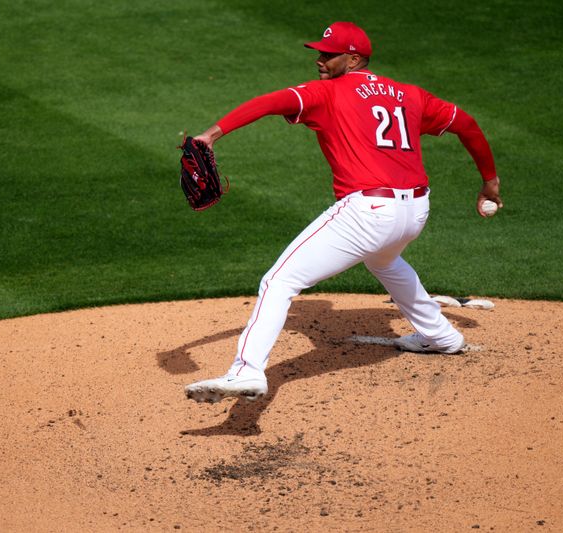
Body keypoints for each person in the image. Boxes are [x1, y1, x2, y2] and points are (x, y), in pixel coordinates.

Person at [184, 21, 502, 404]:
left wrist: (212, 134)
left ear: (353, 59)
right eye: (319, 53)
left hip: (368, 211)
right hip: (415, 210)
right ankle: (441, 336)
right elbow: (466, 124)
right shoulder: (409, 94)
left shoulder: (327, 93)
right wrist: (490, 182)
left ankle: (246, 370)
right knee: (385, 262)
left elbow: (269, 103)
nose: (319, 60)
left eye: (328, 54)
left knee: (278, 282)